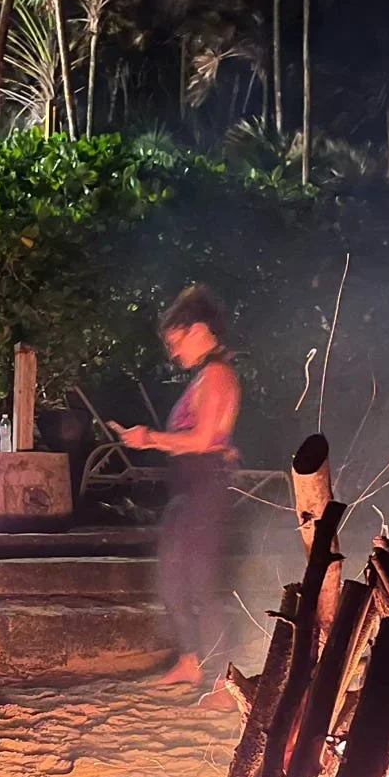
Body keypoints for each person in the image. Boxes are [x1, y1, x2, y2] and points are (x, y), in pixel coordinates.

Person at [112, 284, 241, 691]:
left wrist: (151, 438)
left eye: (175, 341)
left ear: (199, 329)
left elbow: (204, 440)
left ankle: (225, 681)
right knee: (173, 580)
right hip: (190, 488)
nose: (173, 352)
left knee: (200, 584)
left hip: (203, 489)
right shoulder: (206, 376)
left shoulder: (218, 374)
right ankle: (190, 662)